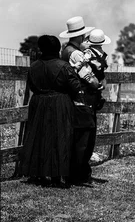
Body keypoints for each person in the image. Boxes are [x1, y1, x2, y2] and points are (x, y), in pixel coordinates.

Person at [19, 35, 84, 188]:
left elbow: (32, 87)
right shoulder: (64, 66)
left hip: (39, 103)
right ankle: (57, 176)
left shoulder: (34, 66)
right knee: (60, 137)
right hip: (60, 103)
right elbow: (75, 87)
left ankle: (38, 173)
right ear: (56, 48)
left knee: (38, 136)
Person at [59, 16, 102, 186]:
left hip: (73, 98)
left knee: (77, 138)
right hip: (81, 98)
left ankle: (75, 173)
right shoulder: (76, 54)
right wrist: (97, 85)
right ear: (80, 37)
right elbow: (88, 76)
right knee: (84, 140)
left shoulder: (66, 50)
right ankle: (79, 175)